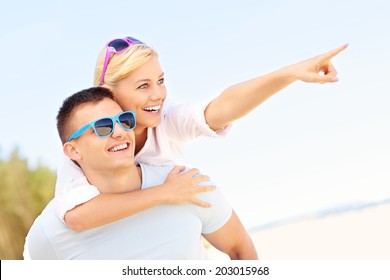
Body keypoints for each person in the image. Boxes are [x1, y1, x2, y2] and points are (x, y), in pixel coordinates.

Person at [56, 36, 348, 231]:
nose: (158, 95)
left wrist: (290, 73)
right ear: (108, 92)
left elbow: (222, 106)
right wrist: (165, 193)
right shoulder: (84, 147)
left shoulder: (165, 121)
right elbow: (78, 216)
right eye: (143, 86)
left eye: (160, 80)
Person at [24, 87, 257, 260]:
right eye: (103, 127)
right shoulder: (47, 234)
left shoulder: (187, 185)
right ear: (73, 150)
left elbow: (241, 250)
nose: (120, 132)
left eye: (124, 121)